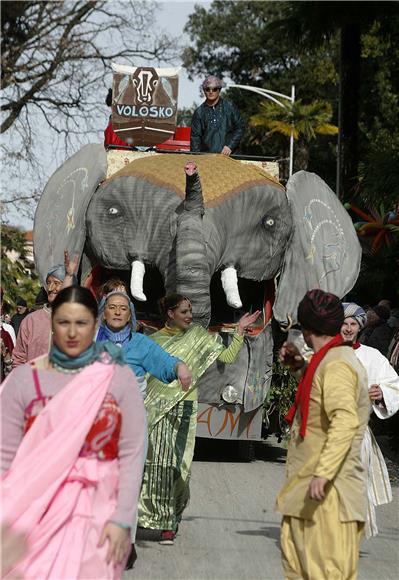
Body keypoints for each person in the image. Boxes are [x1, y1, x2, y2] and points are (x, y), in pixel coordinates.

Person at [1, 287, 147, 578]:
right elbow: (5, 456)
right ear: (51, 323)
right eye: (63, 322)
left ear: (95, 325)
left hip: (98, 513)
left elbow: (132, 453)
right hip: (33, 511)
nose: (71, 332)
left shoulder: (117, 379)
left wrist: (123, 519)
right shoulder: (23, 381)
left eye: (81, 323)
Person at [138, 294, 260, 544]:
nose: (190, 316)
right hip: (156, 410)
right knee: (155, 465)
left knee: (179, 468)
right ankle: (161, 523)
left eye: (190, 311)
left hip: (185, 410)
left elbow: (225, 358)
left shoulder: (197, 336)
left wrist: (239, 331)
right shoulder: (152, 341)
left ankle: (172, 515)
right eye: (184, 311)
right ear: (170, 313)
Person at [276, 289, 369, 580]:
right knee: (300, 569)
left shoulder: (337, 365)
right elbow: (317, 393)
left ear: (306, 328)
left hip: (329, 496)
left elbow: (344, 420)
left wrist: (324, 473)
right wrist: (297, 366)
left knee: (324, 573)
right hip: (311, 490)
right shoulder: (327, 359)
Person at [341, 302, 399, 537]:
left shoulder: (372, 357)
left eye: (352, 324)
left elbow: (392, 384)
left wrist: (381, 394)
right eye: (344, 323)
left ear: (359, 327)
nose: (348, 328)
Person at [96, 290, 192, 399]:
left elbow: (164, 362)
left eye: (123, 309)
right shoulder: (89, 339)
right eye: (112, 307)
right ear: (104, 314)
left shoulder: (141, 343)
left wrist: (179, 366)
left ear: (129, 316)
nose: (117, 312)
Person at [12, 255, 77, 367]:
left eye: (56, 283)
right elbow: (19, 359)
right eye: (48, 283)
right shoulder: (31, 321)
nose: (50, 288)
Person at [190, 75, 245, 155]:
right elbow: (195, 138)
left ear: (219, 90)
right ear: (204, 90)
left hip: (230, 157)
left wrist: (230, 146)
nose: (211, 92)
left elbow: (240, 127)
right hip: (207, 159)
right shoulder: (199, 112)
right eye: (207, 89)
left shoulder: (230, 107)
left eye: (214, 89)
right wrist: (196, 159)